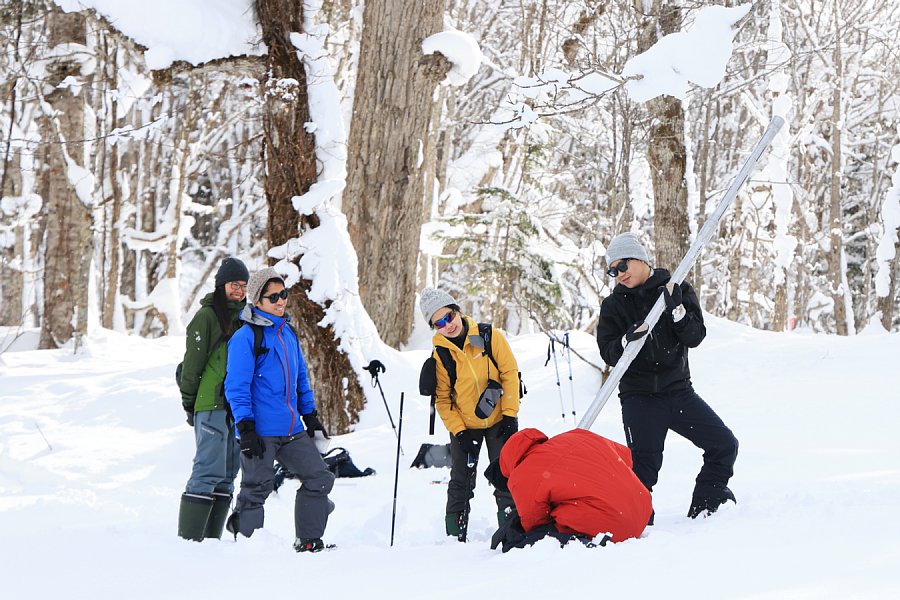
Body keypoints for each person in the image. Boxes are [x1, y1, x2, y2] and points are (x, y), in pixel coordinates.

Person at [595, 232, 739, 521]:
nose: (618, 274)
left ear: (640, 259)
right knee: (643, 470)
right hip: (639, 398)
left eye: (622, 265)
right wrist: (625, 341)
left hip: (679, 392)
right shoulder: (614, 305)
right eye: (612, 271)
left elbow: (695, 336)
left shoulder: (675, 289)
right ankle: (637, 523)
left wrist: (678, 313)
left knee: (724, 444)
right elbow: (608, 353)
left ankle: (706, 505)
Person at [224, 267, 335, 552]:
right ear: (256, 301)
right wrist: (245, 427)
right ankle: (246, 549)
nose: (280, 301)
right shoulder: (246, 337)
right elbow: (236, 386)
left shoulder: (287, 333)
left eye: (283, 294)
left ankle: (309, 542)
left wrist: (310, 415)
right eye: (272, 297)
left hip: (291, 428)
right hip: (260, 431)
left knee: (319, 478)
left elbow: (301, 379)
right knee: (256, 490)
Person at [419, 287, 520, 540]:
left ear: (457, 311)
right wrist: (460, 432)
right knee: (461, 482)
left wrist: (510, 415)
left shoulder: (488, 336)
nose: (448, 325)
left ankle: (513, 530)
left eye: (449, 316)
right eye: (439, 323)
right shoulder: (441, 355)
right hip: (466, 426)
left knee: (506, 476)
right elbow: (443, 400)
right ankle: (455, 537)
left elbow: (509, 373)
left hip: (499, 420)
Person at [486, 427, 652, 552]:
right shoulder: (575, 435)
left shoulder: (522, 474)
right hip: (642, 510)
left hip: (613, 527)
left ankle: (581, 541)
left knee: (532, 534)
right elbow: (625, 456)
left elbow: (535, 522)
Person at [177, 257, 249, 541]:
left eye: (243, 286)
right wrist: (190, 402)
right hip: (212, 404)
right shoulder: (206, 317)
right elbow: (192, 365)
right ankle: (190, 542)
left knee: (228, 474)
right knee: (208, 470)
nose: (239, 291)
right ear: (221, 285)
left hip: (237, 407)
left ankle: (210, 545)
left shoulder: (246, 317)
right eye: (234, 285)